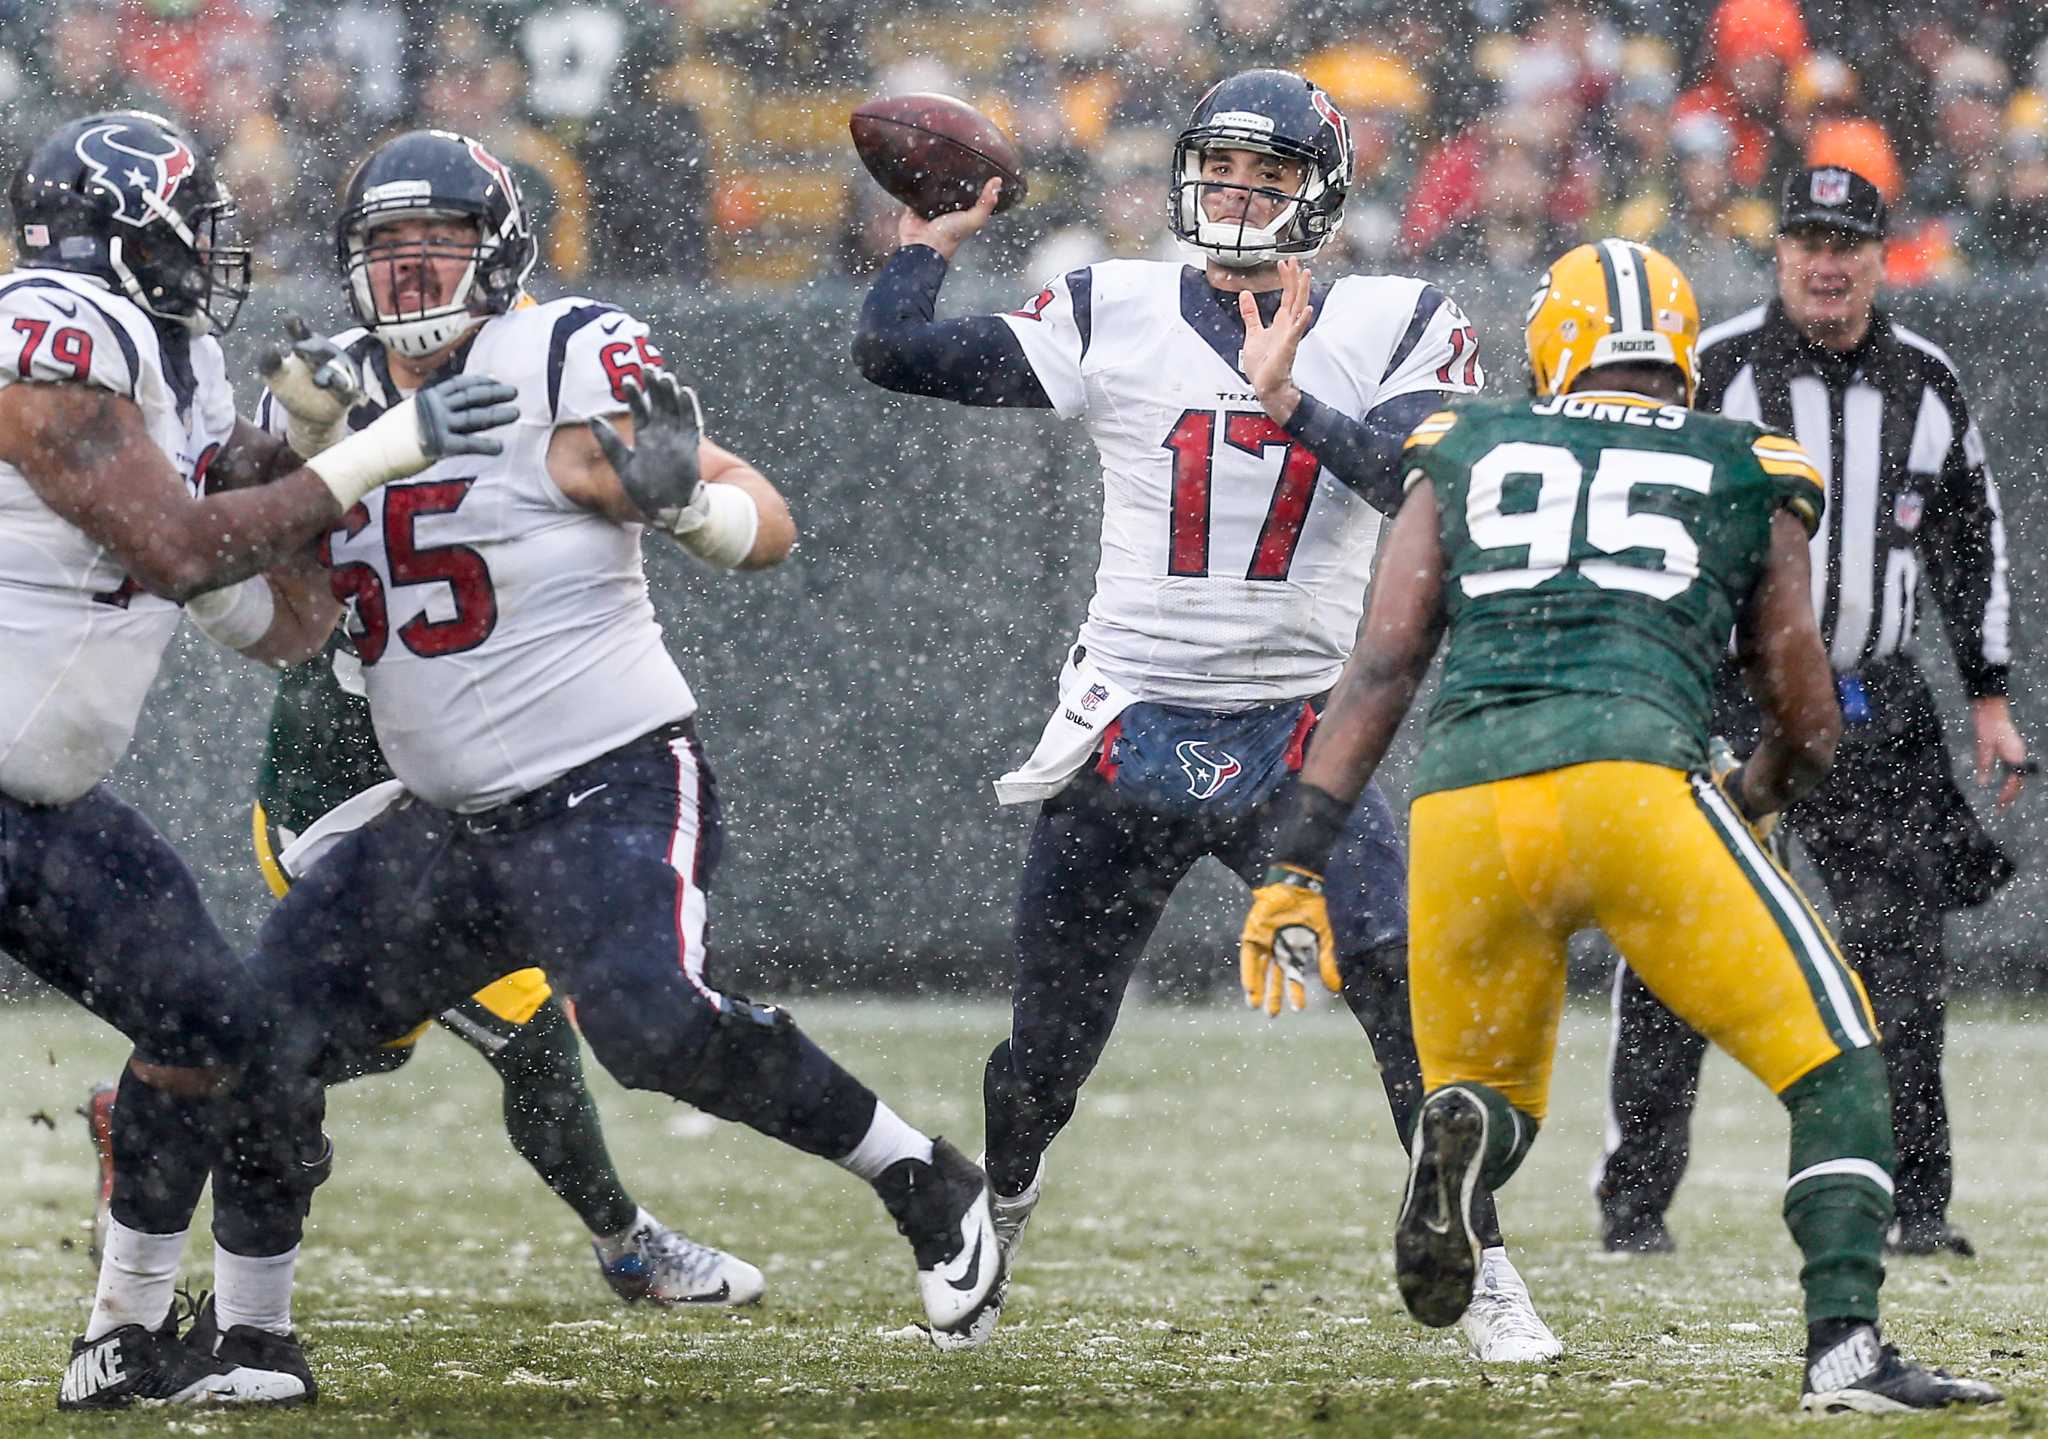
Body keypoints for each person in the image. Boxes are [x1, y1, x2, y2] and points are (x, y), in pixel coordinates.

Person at [207, 128, 1003, 1382]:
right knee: (261, 1029)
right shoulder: (319, 387)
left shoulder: (568, 344)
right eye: (386, 252)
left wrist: (686, 501)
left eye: (439, 247)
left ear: (501, 249)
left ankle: (919, 1174)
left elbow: (769, 526)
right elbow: (284, 611)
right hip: (441, 815)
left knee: (650, 1028)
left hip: (604, 776)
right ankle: (248, 1332)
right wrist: (279, 471)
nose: (412, 277)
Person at [854, 69, 1559, 1361]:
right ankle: (995, 1214)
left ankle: (1483, 1259)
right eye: (1222, 172)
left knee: (1401, 978)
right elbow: (891, 352)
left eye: (1269, 176)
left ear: (1323, 195)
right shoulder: (1113, 302)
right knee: (1047, 1042)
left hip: (1299, 728)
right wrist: (921, 241)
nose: (1238, 195)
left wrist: (1287, 397)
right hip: (1123, 720)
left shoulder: (1398, 317)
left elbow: (1421, 488)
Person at [1237, 236, 2003, 1414]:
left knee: (1495, 1088)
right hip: (1633, 782)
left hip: (1464, 799)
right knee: (1839, 1059)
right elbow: (1802, 702)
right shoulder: (1743, 457)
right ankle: (1843, 1349)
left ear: (1553, 341)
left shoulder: (1470, 443)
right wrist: (1751, 794)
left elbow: (1382, 664)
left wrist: (1294, 853)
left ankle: (1461, 1137)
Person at [0, 109, 519, 1409]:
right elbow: (176, 546)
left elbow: (259, 605)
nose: (216, 250)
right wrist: (379, 448)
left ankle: (117, 1335)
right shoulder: (50, 321)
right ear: (131, 227)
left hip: (39, 797)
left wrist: (309, 484)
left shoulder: (173, 358)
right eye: (197, 224)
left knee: (215, 1026)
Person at [81, 619, 765, 1308]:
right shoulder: (385, 530)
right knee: (533, 1040)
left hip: (406, 811)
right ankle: (629, 1248)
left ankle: (169, 1101)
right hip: (349, 827)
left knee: (373, 1045)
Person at [1596, 167, 2027, 1260]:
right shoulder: (1714, 372)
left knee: (1900, 956)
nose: (1824, 262)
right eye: (1804, 240)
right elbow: (1641, 525)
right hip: (1730, 692)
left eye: (1845, 242)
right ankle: (1632, 1204)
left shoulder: (1925, 381)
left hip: (1871, 698)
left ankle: (1913, 1204)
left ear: (1881, 255)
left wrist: (1987, 691)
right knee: (1678, 939)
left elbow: (1968, 537)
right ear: (1777, 250)